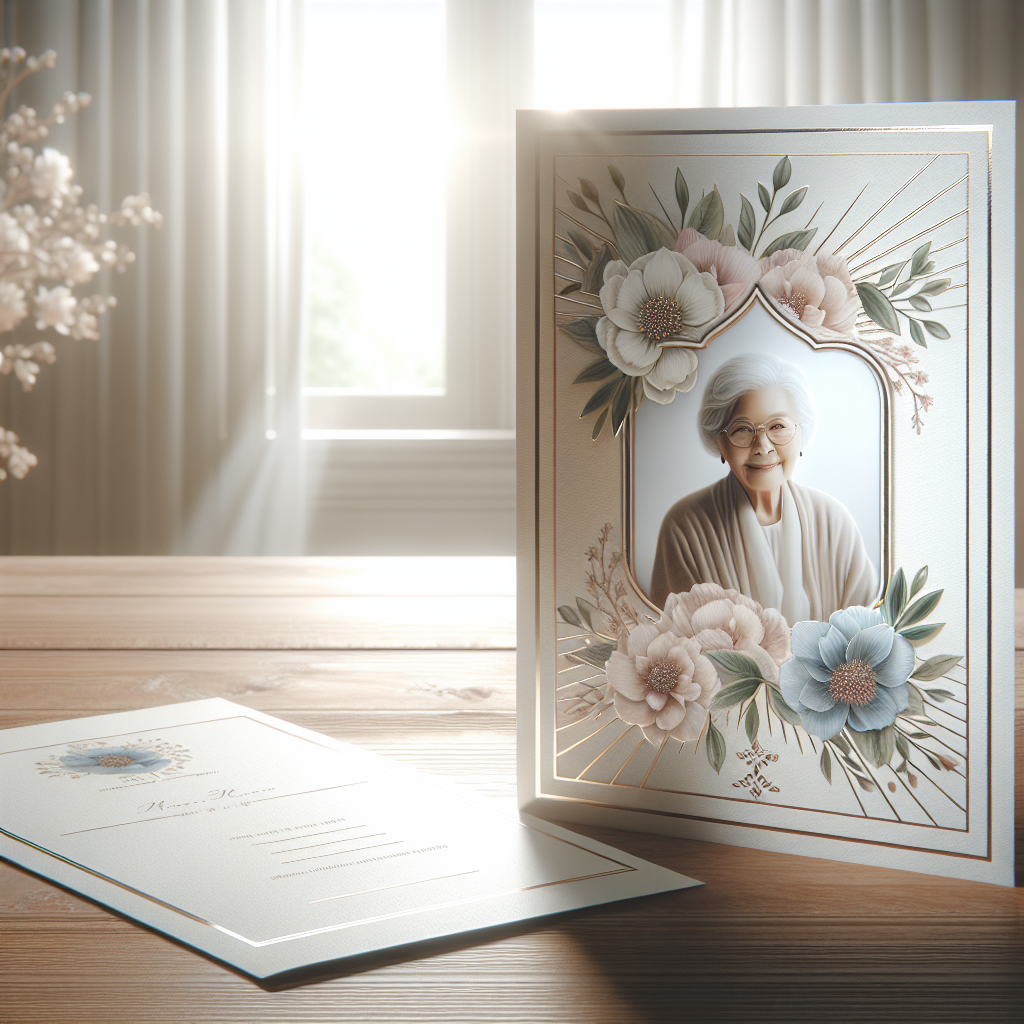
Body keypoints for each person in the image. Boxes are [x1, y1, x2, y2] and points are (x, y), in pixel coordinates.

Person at [649, 353, 878, 622]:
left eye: (778, 426)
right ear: (719, 443)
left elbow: (869, 625)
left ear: (802, 433)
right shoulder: (685, 526)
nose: (763, 446)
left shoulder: (833, 520)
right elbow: (673, 639)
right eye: (743, 430)